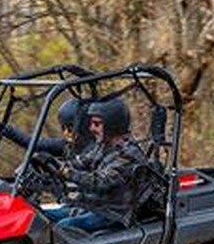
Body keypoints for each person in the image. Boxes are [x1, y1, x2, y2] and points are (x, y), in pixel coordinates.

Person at [49, 97, 150, 233]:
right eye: (91, 123)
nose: (91, 128)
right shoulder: (103, 145)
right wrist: (53, 165)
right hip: (93, 206)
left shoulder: (129, 155)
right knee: (44, 216)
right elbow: (80, 162)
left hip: (111, 213)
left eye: (97, 124)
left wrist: (68, 173)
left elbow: (100, 181)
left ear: (112, 125)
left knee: (63, 227)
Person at [0, 97, 91, 164]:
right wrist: (3, 128)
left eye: (70, 129)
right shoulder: (66, 146)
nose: (66, 133)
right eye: (64, 128)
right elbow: (34, 144)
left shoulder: (98, 150)